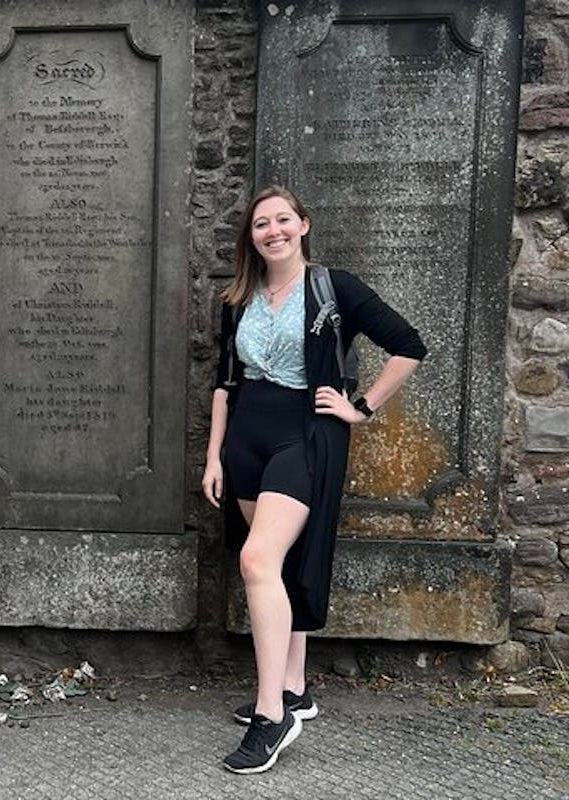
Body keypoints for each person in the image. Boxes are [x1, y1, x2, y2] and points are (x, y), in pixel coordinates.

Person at [202, 186, 426, 774]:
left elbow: (408, 345)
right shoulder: (238, 297)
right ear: (250, 237)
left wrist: (362, 406)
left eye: (282, 220)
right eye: (259, 225)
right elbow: (225, 383)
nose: (271, 231)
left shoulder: (335, 288)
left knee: (257, 563)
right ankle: (295, 686)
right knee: (281, 565)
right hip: (247, 437)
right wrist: (214, 456)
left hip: (305, 435)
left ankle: (272, 715)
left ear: (302, 225)